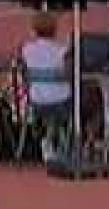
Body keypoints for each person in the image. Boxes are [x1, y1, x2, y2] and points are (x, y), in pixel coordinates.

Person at [20, 11, 72, 163]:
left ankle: (49, 139)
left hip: (36, 102)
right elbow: (70, 75)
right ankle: (63, 143)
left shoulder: (26, 49)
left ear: (34, 30)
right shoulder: (63, 50)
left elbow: (24, 74)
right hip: (62, 102)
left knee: (52, 113)